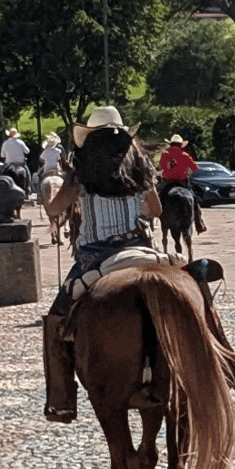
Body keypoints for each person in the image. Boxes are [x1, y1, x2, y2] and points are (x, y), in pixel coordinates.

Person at [40, 105, 163, 423]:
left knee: (56, 322)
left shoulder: (81, 172)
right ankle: (228, 364)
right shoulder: (139, 167)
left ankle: (61, 400)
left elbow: (55, 210)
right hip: (139, 247)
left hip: (96, 255)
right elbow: (155, 210)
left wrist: (51, 197)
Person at [156, 134, 208, 234]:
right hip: (182, 183)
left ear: (171, 144)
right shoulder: (185, 155)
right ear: (180, 145)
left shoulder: (165, 154)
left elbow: (160, 167)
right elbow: (195, 168)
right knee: (194, 201)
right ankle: (199, 224)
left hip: (167, 182)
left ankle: (155, 217)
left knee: (158, 197)